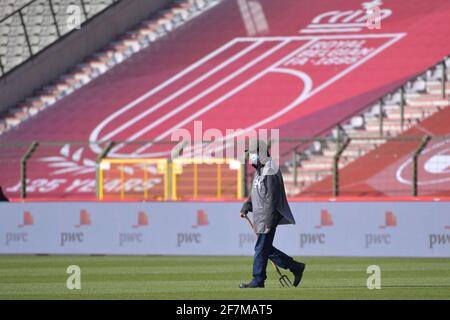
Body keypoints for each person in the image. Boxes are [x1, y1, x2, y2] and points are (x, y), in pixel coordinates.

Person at [239, 139, 305, 288]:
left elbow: (272, 198)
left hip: (267, 217)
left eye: (252, 154)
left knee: (260, 249)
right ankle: (295, 267)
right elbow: (256, 193)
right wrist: (246, 207)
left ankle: (258, 279)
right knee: (265, 248)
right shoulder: (260, 170)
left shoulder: (270, 169)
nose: (250, 157)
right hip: (261, 216)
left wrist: (268, 220)